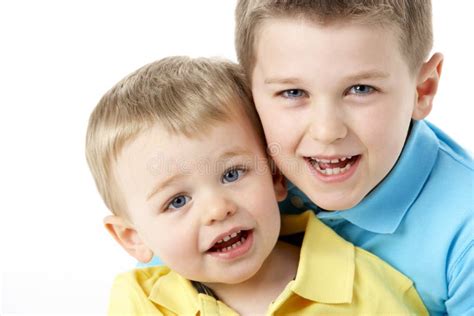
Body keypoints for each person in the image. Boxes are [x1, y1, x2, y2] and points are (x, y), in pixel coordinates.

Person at [86, 56, 427, 315]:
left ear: (276, 176)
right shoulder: (141, 302)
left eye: (232, 174)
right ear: (133, 237)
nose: (218, 209)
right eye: (177, 201)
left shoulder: (366, 288)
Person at [234, 0, 473, 315]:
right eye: (293, 93)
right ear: (248, 93)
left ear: (423, 90)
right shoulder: (227, 181)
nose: (326, 131)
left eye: (361, 89)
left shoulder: (464, 237)